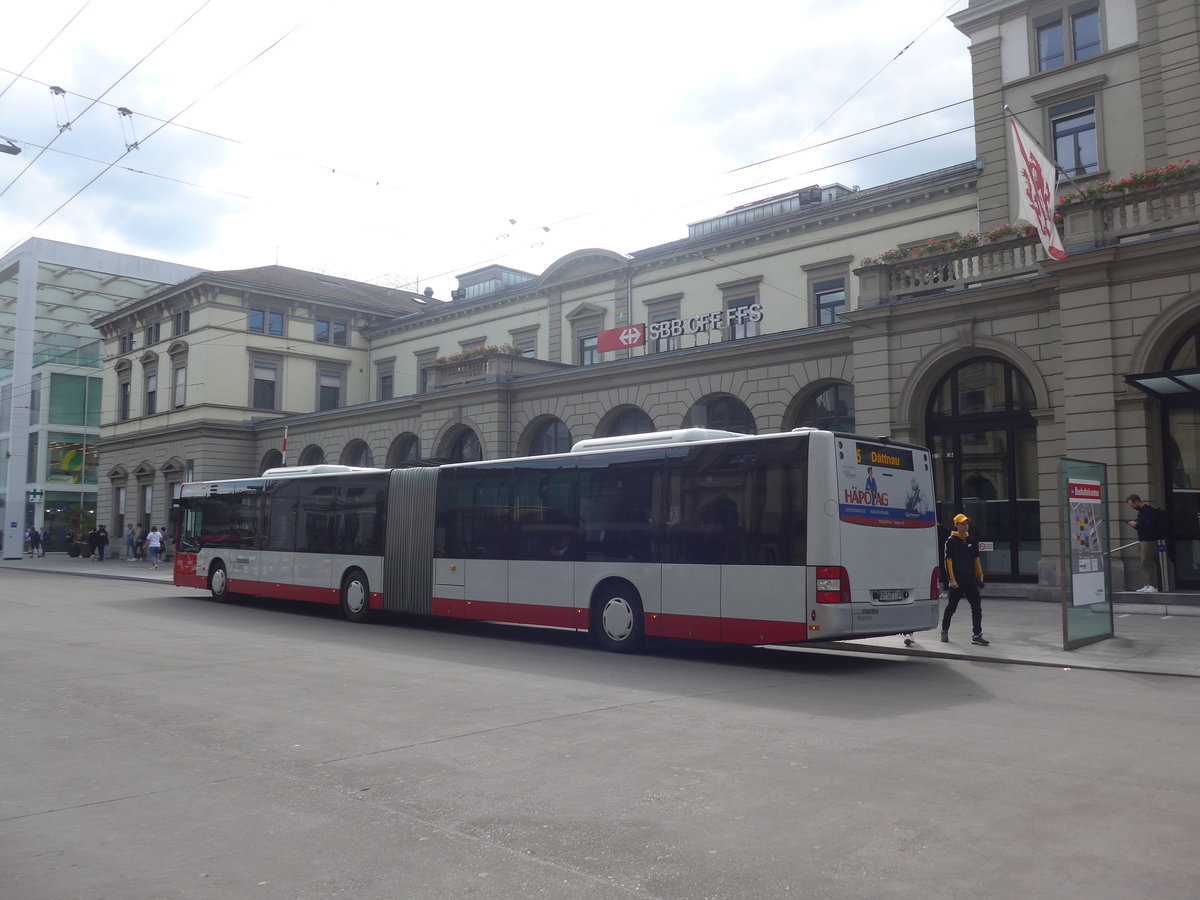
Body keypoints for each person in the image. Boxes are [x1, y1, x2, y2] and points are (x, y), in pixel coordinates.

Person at [941, 513, 989, 646]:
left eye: (966, 523)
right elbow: (948, 562)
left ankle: (977, 634)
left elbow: (976, 560)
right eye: (962, 523)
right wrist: (952, 580)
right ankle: (944, 630)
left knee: (976, 607)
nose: (965, 526)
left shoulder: (972, 541)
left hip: (970, 580)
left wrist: (980, 576)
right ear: (956, 525)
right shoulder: (950, 541)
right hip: (957, 581)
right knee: (952, 607)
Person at [1125, 494, 1162, 592]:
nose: (1132, 507)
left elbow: (1149, 525)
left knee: (1146, 561)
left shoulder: (1148, 510)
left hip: (1148, 540)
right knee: (1145, 562)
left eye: (1132, 505)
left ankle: (1153, 585)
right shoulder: (1142, 512)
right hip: (1143, 539)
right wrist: (1136, 524)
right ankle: (1149, 584)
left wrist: (1136, 524)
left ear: (1136, 501)